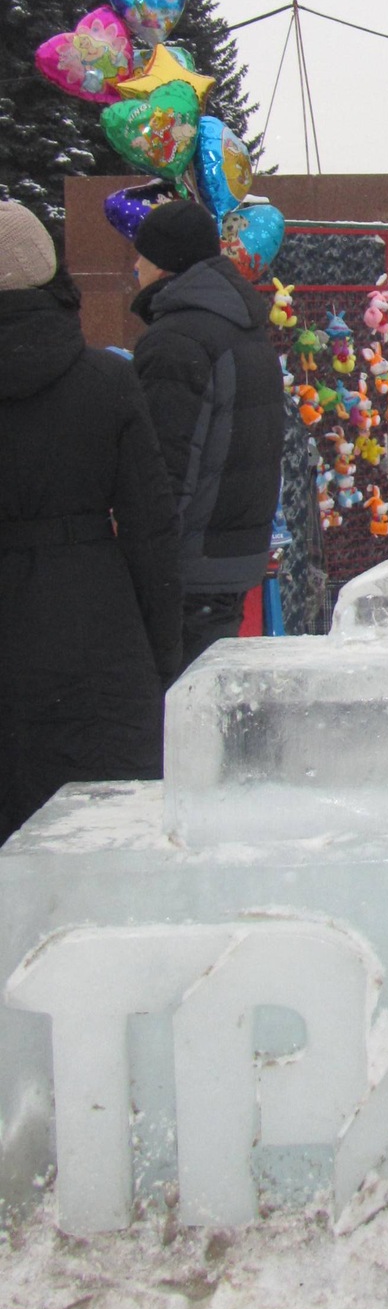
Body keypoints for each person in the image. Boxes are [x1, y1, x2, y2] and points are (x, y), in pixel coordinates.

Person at [0, 201, 180, 845]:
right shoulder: (107, 382)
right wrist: (160, 655)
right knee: (97, 836)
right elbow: (151, 529)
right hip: (94, 627)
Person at [129, 199, 285, 670]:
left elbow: (162, 467)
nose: (135, 266)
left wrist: (138, 555)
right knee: (202, 694)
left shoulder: (177, 340)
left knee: (170, 699)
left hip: (186, 565)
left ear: (164, 264)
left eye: (141, 256)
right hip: (232, 556)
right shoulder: (243, 326)